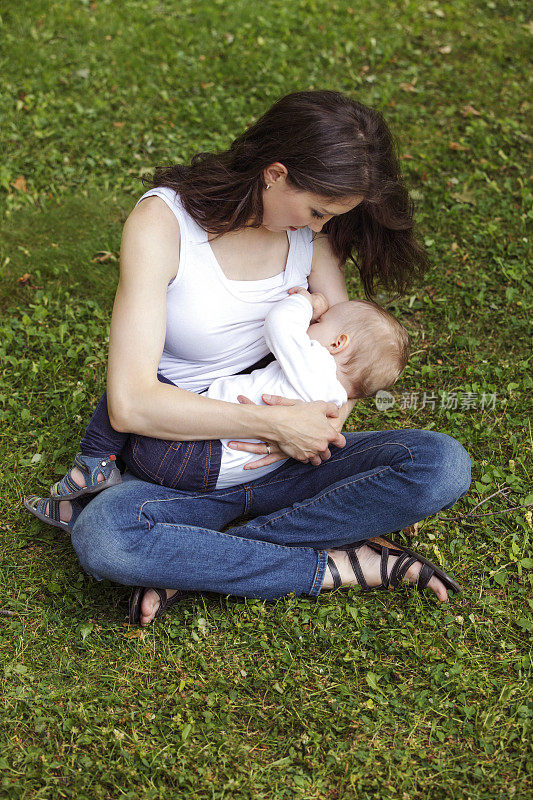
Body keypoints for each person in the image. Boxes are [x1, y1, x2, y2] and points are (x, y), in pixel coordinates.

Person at [24, 90, 471, 627]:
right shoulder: (165, 226)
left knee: (441, 465)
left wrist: (307, 431)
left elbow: (341, 365)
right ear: (275, 173)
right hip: (179, 467)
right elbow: (129, 406)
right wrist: (271, 423)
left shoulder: (311, 238)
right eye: (318, 210)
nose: (323, 227)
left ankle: (195, 560)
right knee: (105, 541)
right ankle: (342, 567)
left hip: (288, 466)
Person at [24, 287, 410, 514]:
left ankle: (93, 464)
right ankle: (83, 506)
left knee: (135, 386)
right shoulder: (330, 403)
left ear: (338, 343)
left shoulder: (316, 363)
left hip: (189, 455)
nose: (313, 328)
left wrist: (311, 303)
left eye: (320, 326)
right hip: (211, 477)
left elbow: (279, 325)